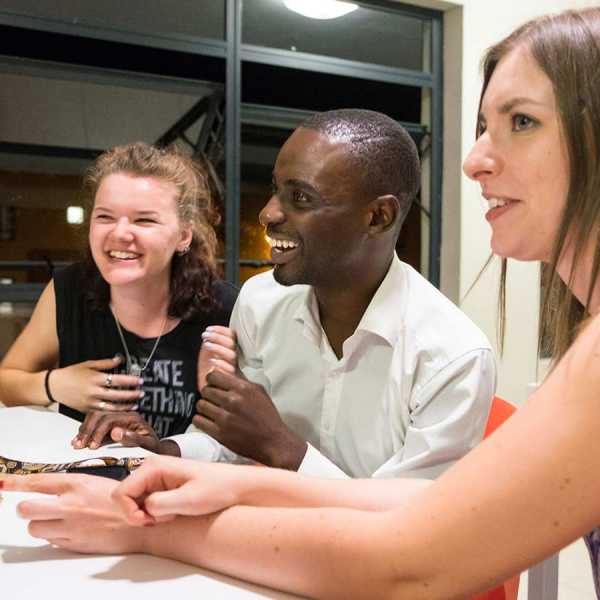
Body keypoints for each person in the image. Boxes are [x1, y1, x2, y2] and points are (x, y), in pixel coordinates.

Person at [4, 6, 600, 599]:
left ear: (379, 216)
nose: (472, 161)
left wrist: (169, 520)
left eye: (522, 121)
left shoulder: (457, 350)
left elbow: (410, 550)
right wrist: (179, 464)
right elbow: (409, 505)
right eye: (483, 127)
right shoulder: (261, 303)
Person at [90, 109, 495, 477]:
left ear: (377, 216)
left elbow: (410, 523)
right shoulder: (260, 302)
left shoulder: (452, 358)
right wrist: (165, 449)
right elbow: (232, 440)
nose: (268, 214)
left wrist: (283, 448)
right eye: (276, 190)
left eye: (299, 197)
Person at [0, 142, 237, 446]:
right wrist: (54, 385)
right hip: (83, 481)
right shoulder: (69, 290)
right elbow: (7, 381)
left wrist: (217, 390)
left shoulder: (223, 308)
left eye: (144, 220)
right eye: (105, 217)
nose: (120, 233)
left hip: (183, 486)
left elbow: (244, 439)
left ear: (183, 235)